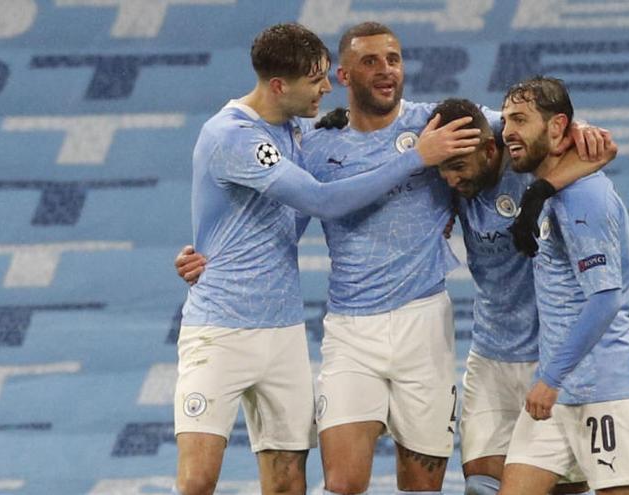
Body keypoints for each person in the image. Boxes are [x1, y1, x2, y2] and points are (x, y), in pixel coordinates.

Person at [176, 21, 609, 495]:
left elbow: (518, 124)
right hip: (349, 327)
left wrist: (579, 127)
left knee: (423, 486)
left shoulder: (437, 125)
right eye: (370, 62)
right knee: (342, 482)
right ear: (343, 77)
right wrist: (213, 254)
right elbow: (292, 210)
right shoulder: (314, 140)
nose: (386, 71)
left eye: (394, 59)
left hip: (422, 324)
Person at [173, 22, 481, 495]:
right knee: (208, 481)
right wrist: (416, 158)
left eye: (393, 59)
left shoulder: (299, 133)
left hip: (293, 332)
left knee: (291, 482)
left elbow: (281, 223)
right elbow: (320, 201)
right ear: (283, 85)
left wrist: (575, 130)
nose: (324, 88)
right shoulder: (249, 136)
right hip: (236, 326)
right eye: (318, 79)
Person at [428, 98, 619, 495]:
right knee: (481, 486)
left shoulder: (527, 159)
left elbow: (602, 151)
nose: (451, 181)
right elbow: (414, 116)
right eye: (443, 171)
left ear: (491, 149)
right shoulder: (457, 151)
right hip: (491, 353)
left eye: (459, 169)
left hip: (551, 355)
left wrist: (542, 187)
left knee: (563, 488)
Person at [497, 76, 629, 495]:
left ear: (556, 126)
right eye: (506, 118)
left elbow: (605, 300)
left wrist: (550, 378)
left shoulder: (585, 198)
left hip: (603, 386)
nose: (508, 130)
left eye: (520, 120)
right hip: (558, 393)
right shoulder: (551, 193)